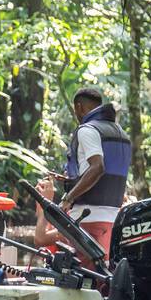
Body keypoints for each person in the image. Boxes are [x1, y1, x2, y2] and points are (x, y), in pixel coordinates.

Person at [59, 87, 132, 256]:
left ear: (79, 107)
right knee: (105, 278)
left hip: (87, 219)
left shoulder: (87, 130)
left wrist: (67, 199)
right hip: (114, 220)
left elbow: (97, 168)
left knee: (85, 279)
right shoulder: (121, 133)